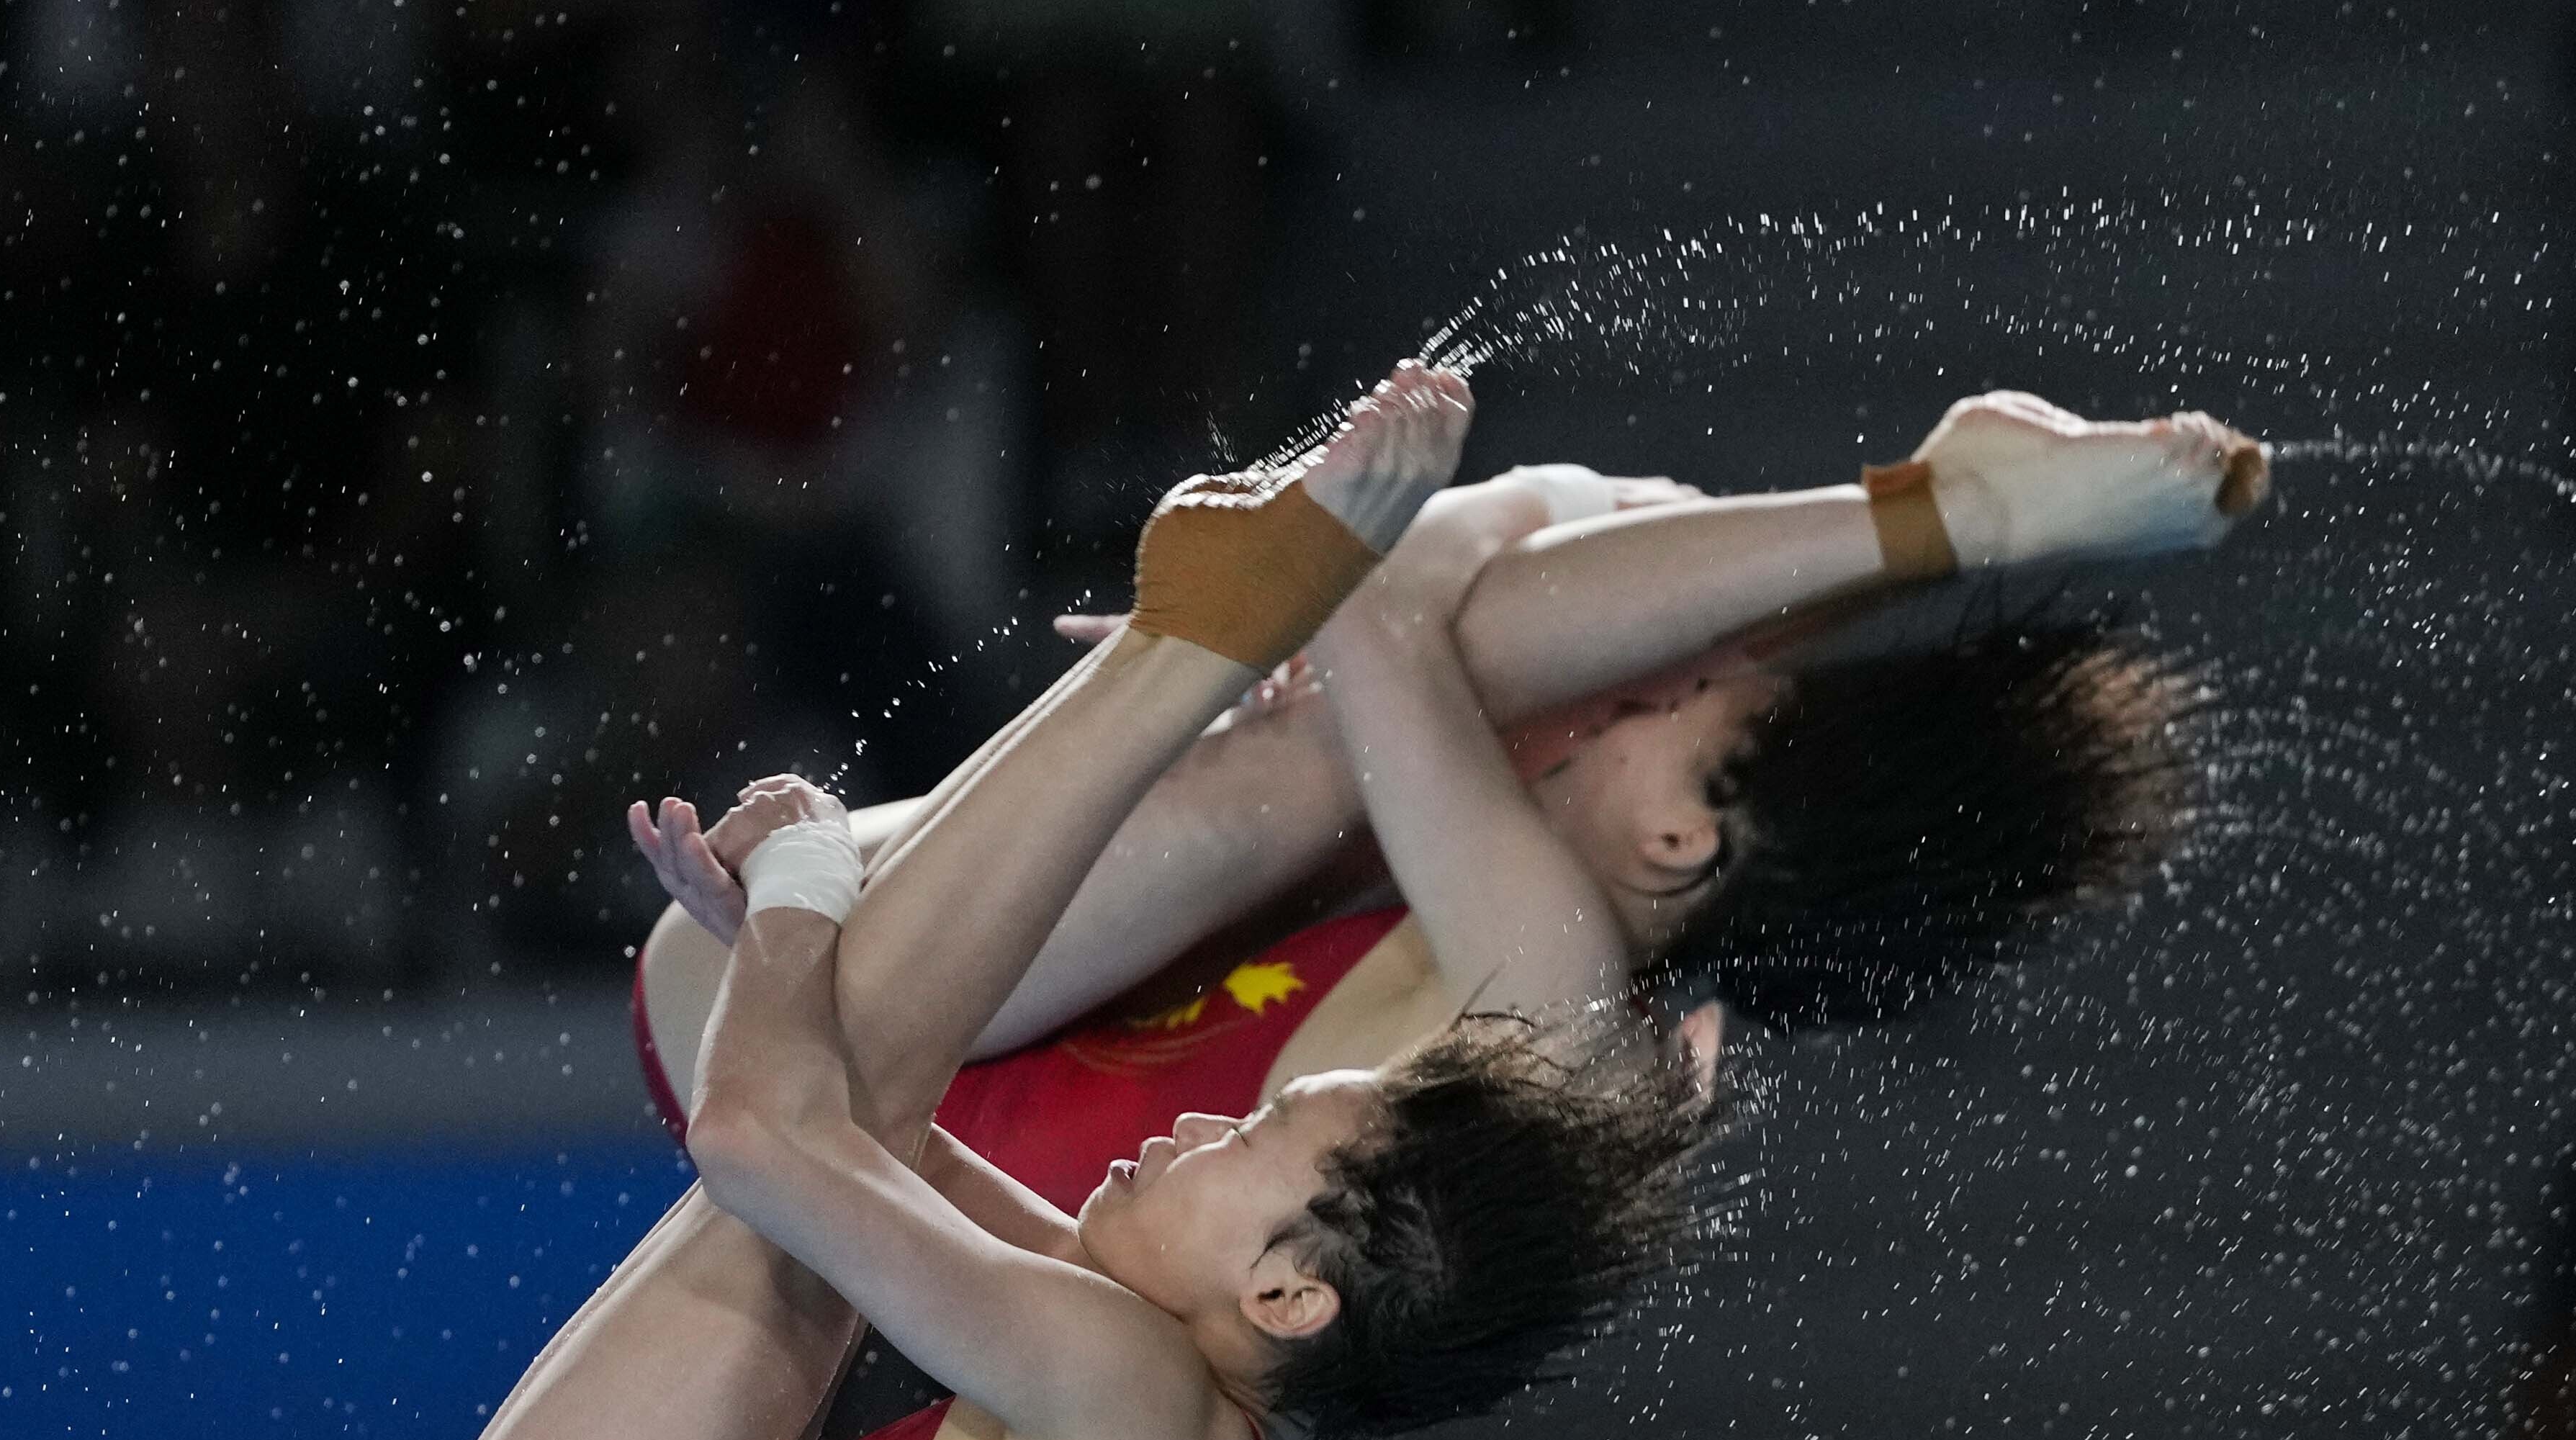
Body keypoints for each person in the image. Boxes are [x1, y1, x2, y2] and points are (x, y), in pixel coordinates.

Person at [266, 362, 1704, 1440]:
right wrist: (785, 965)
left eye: (1254, 1132)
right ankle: (1187, 644)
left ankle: (1188, 648)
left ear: (1290, 1291)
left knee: (842, 1111)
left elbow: (764, 1140)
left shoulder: (1134, 1400)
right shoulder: (1198, 1429)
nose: (1194, 1122)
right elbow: (878, 1144)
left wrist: (814, 881)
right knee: (859, 1096)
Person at [625, 387, 2271, 1210]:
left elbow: (1396, 577)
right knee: (1392, 686)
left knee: (1323, 736)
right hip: (815, 983)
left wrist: (1266, 624)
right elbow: (1520, 533)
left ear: (1683, 840)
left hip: (809, 1027)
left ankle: (1930, 516)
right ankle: (1928, 515)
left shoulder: (1564, 1025)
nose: (1663, 680)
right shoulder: (1572, 872)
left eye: (1690, 706)